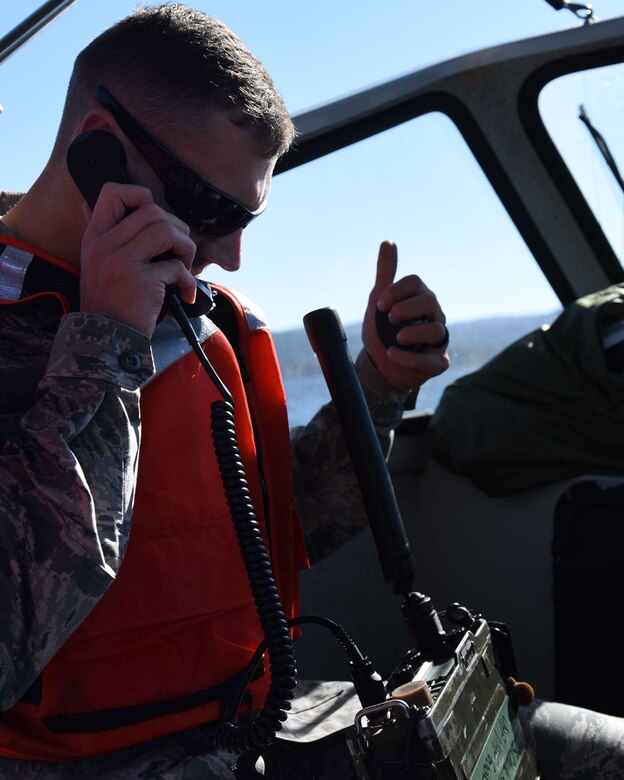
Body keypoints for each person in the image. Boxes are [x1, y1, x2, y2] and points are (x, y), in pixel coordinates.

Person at [0, 4, 450, 777]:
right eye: (212, 210)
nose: (232, 255)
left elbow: (270, 529)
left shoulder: (211, 329)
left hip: (248, 739)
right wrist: (105, 343)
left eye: (247, 218)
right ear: (98, 152)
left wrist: (381, 384)